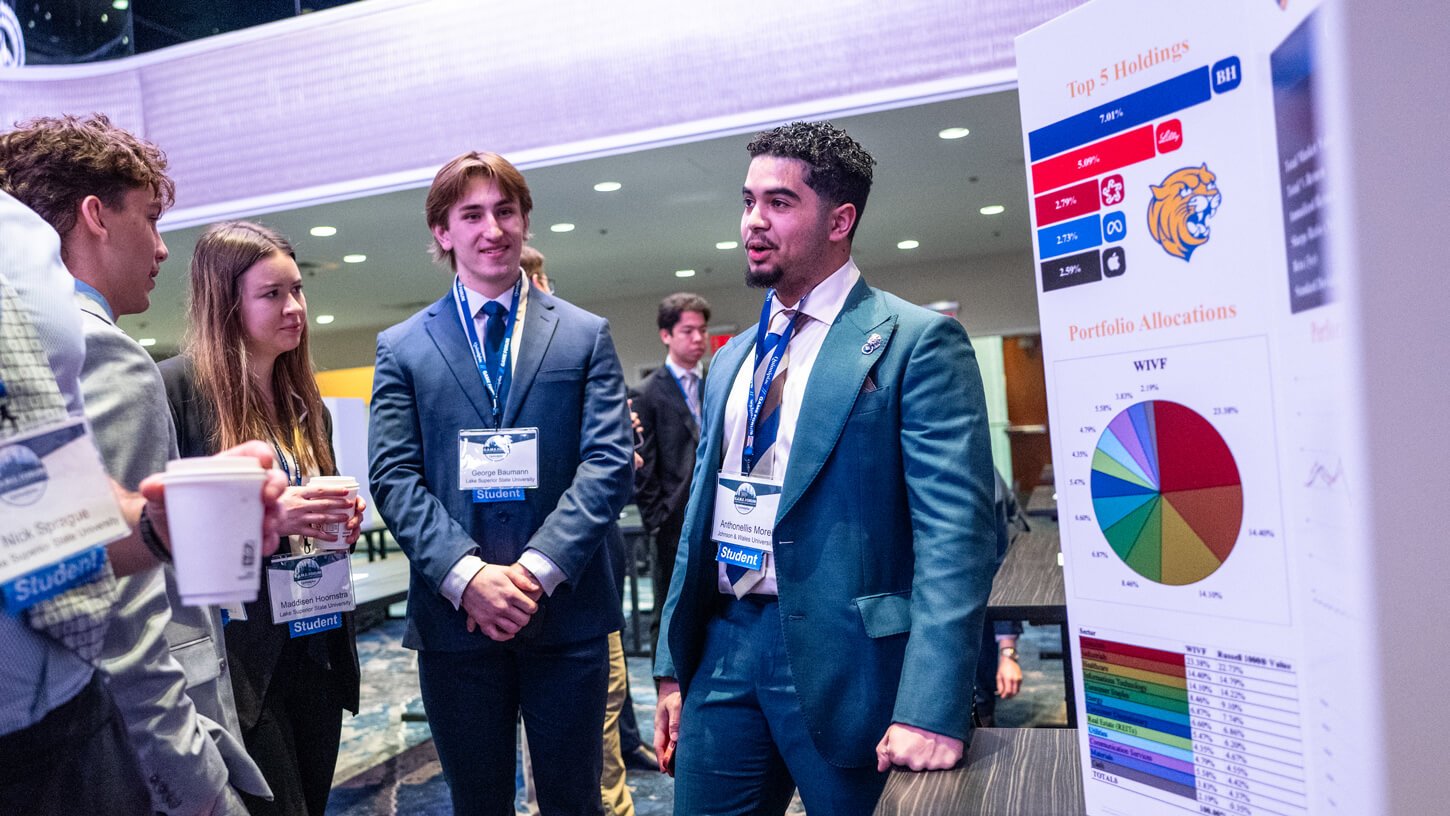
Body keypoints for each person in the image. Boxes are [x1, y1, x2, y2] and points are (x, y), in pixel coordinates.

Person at [652, 121, 998, 814]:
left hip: (854, 662)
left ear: (841, 219)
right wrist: (670, 664)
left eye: (779, 203)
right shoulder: (732, 358)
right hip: (725, 645)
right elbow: (701, 520)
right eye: (748, 201)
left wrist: (932, 704)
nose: (753, 221)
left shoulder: (915, 343)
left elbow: (957, 537)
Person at [0, 114, 269, 813]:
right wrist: (199, 786)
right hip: (51, 742)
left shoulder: (20, 248)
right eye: (150, 219)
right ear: (96, 215)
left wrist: (154, 524)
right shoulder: (100, 344)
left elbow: (29, 500)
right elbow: (126, 624)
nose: (160, 245)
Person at [368, 151, 633, 816]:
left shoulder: (583, 335)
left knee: (576, 801)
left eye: (506, 211)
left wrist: (536, 571)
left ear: (524, 220)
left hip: (566, 614)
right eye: (472, 214)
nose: (493, 228)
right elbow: (394, 476)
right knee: (477, 803)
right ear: (442, 231)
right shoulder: (403, 347)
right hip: (456, 621)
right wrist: (468, 576)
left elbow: (608, 463)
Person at [160, 221, 363, 816]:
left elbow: (311, 516)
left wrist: (337, 522)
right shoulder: (177, 393)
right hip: (240, 657)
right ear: (226, 304)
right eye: (272, 294)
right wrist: (264, 517)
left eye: (298, 290)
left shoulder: (308, 406)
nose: (295, 307)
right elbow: (164, 536)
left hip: (318, 640)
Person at [632, 293, 711, 657]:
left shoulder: (717, 383)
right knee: (669, 610)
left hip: (718, 516)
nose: (698, 338)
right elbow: (643, 465)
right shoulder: (648, 392)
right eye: (688, 331)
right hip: (671, 523)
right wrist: (657, 521)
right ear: (666, 335)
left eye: (702, 330)